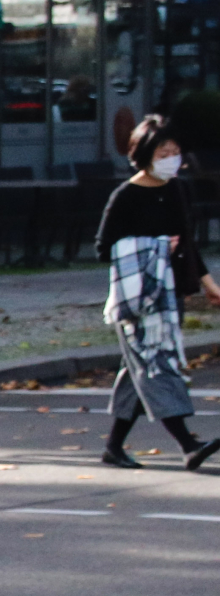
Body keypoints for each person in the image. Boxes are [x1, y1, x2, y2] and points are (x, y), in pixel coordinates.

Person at [94, 115, 220, 470]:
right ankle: (188, 443)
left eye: (177, 152)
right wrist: (154, 246)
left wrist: (209, 285)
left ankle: (113, 447)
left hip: (170, 293)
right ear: (146, 154)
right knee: (156, 365)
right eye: (165, 152)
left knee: (138, 371)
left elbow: (187, 241)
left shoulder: (175, 188)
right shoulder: (126, 195)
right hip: (138, 299)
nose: (173, 159)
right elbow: (104, 248)